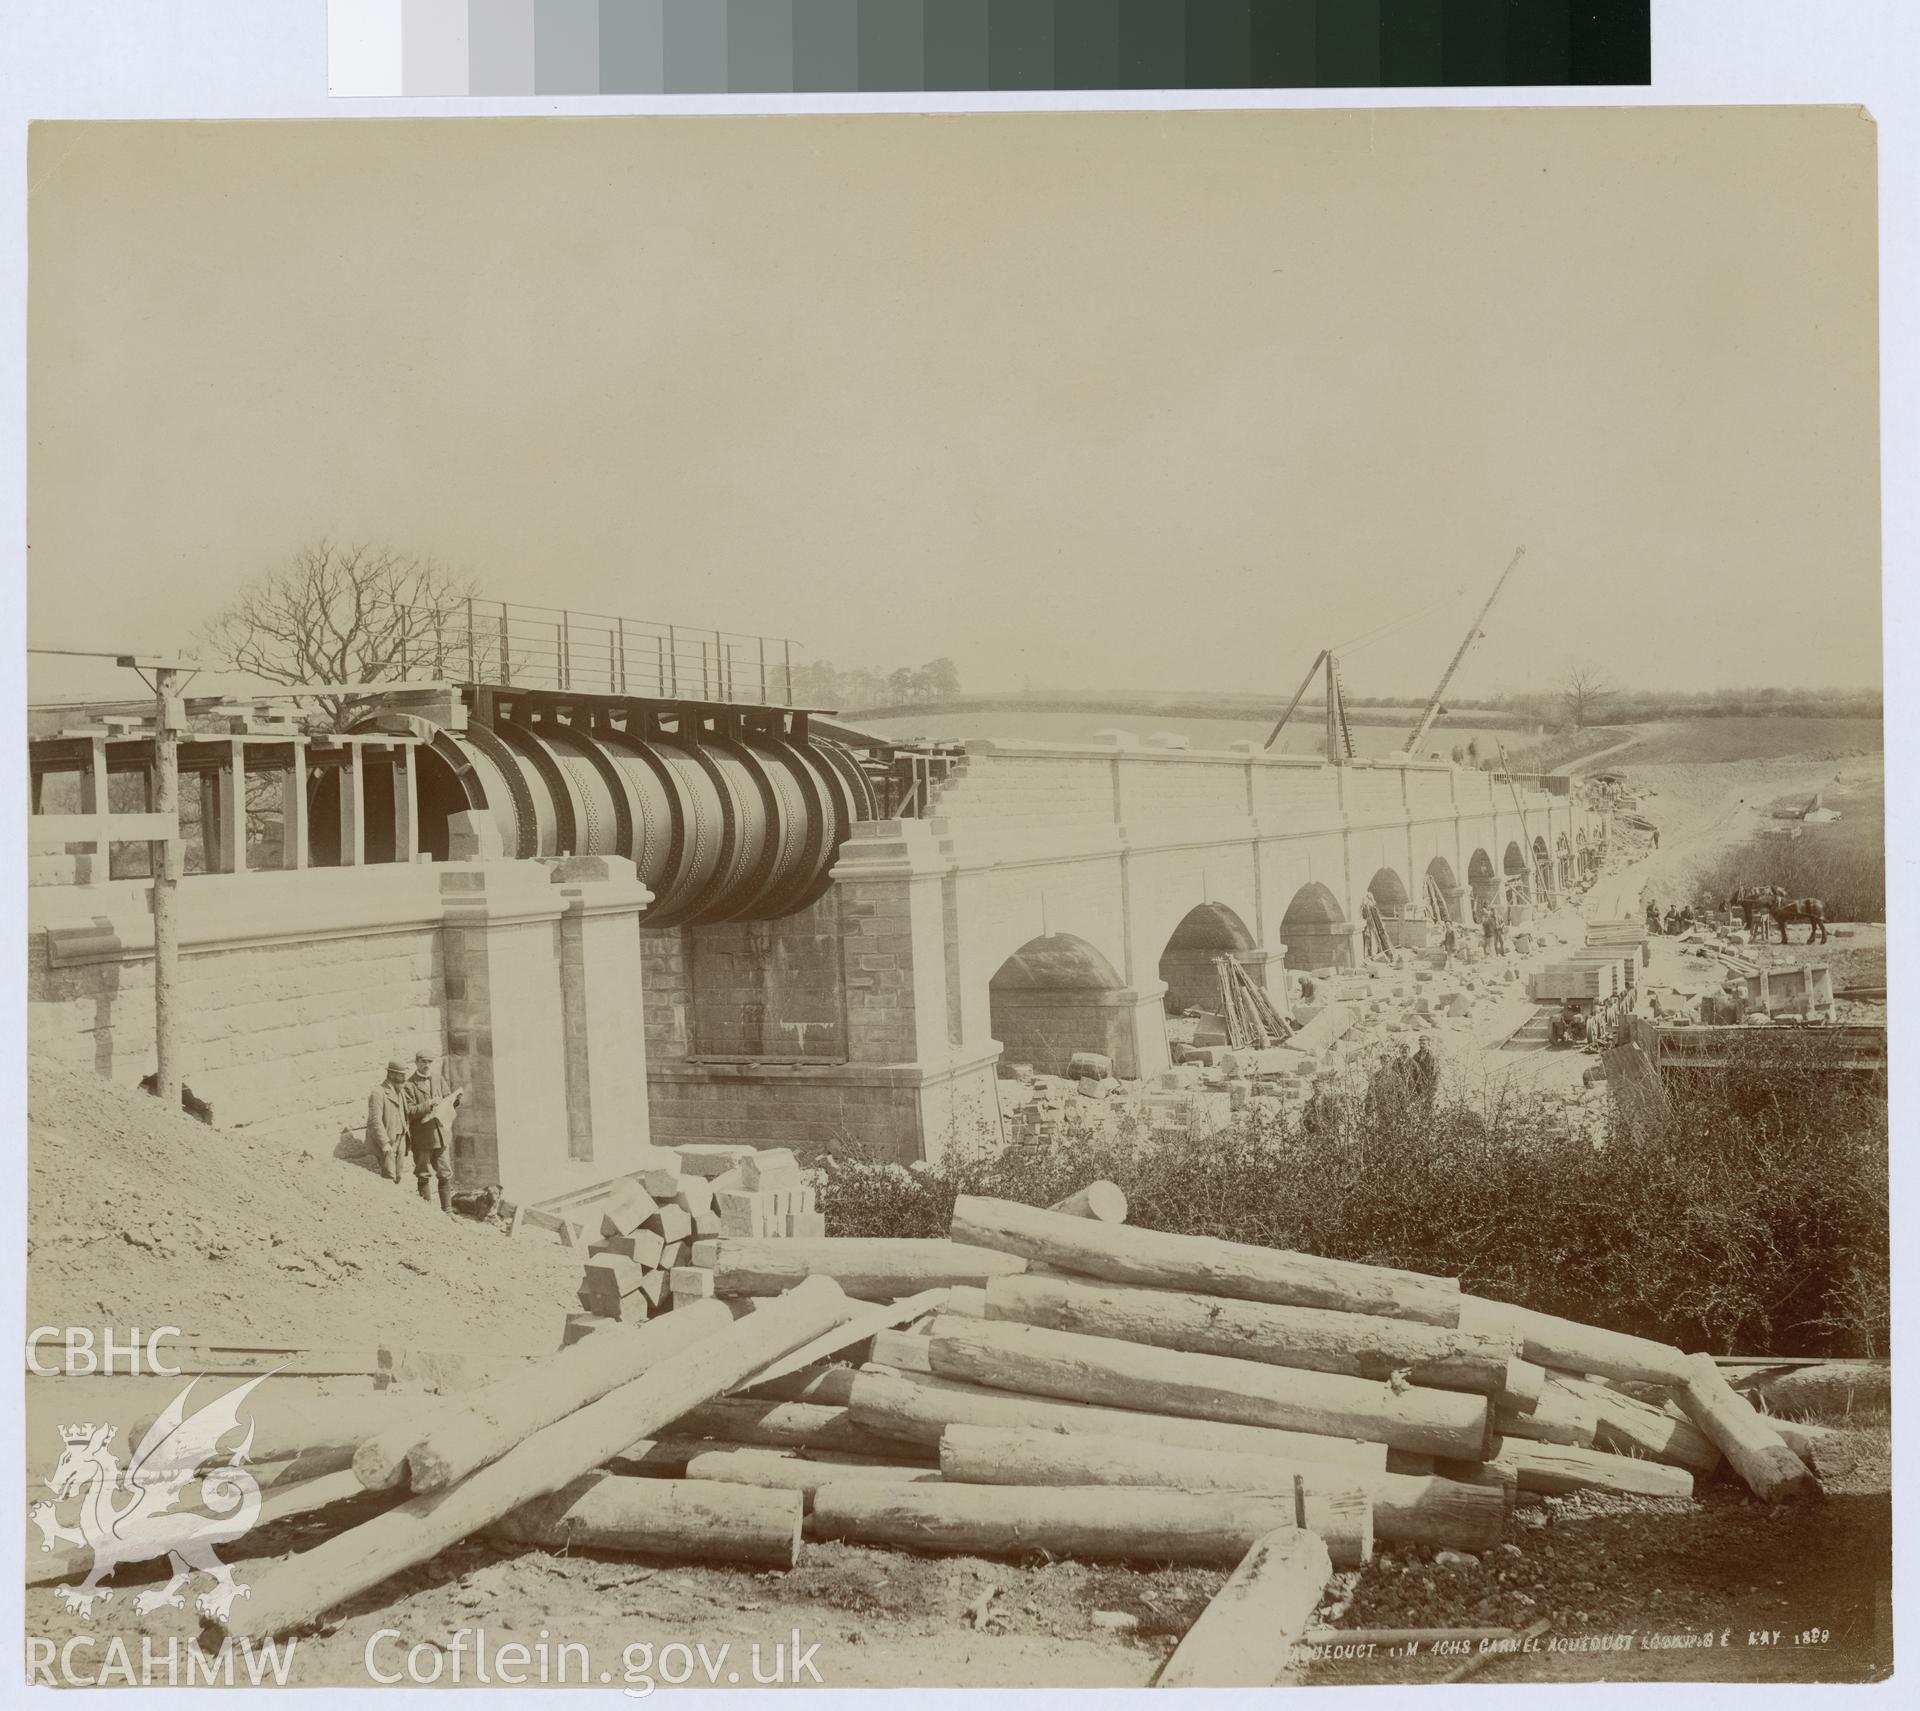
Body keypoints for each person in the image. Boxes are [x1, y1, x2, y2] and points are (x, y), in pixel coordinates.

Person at [405, 1048, 461, 1212]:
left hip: (440, 1135)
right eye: (423, 1062)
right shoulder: (409, 1085)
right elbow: (409, 1111)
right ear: (416, 1063)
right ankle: (428, 1213)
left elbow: (447, 1101)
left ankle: (448, 1211)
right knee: (423, 1174)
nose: (426, 1065)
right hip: (422, 1138)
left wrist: (455, 1100)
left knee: (444, 1173)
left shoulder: (438, 1078)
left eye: (429, 1062)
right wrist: (428, 1104)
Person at [366, 1059, 411, 1185]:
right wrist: (384, 1143)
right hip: (388, 1142)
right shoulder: (378, 1093)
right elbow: (375, 1121)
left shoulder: (400, 1091)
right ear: (391, 1074)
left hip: (401, 1138)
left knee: (398, 1176)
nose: (403, 1078)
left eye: (404, 1075)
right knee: (389, 1177)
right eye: (400, 1075)